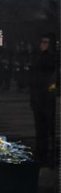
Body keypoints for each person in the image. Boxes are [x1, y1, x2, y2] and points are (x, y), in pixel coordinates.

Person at [30, 33, 58, 166]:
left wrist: (51, 91)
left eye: (46, 42)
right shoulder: (38, 57)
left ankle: (48, 154)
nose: (43, 45)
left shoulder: (52, 59)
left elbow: (54, 79)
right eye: (42, 42)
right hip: (38, 97)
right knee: (40, 128)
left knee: (49, 128)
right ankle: (42, 153)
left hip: (47, 98)